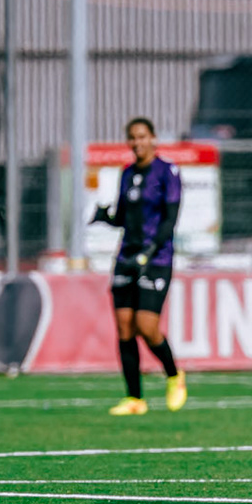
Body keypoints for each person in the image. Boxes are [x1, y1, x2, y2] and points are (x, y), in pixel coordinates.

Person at [89, 117, 186, 415]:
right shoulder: (127, 173)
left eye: (142, 136)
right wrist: (106, 217)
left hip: (156, 259)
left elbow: (169, 220)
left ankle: (174, 375)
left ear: (153, 139)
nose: (137, 142)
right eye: (132, 137)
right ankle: (135, 399)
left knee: (147, 326)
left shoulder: (167, 172)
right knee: (124, 328)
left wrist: (150, 251)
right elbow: (124, 218)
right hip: (126, 257)